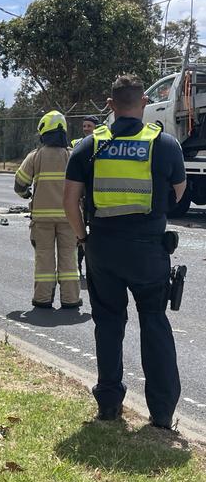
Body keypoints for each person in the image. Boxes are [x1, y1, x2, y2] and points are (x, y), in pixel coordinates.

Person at [63, 74, 186, 428]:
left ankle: (109, 404)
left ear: (110, 105)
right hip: (149, 250)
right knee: (155, 322)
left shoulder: (89, 145)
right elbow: (179, 194)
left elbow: (70, 200)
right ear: (144, 103)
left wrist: (84, 238)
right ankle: (162, 414)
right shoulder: (164, 145)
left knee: (109, 324)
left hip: (102, 247)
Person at [14, 110, 82, 309]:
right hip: (70, 219)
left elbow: (19, 185)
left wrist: (27, 196)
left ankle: (42, 299)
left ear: (44, 132)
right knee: (69, 258)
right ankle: (71, 299)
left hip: (42, 220)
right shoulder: (72, 155)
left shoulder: (35, 156)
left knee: (44, 258)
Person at [70, 115, 101, 275]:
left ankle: (94, 266)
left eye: (89, 126)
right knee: (80, 235)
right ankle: (78, 266)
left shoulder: (103, 144)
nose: (86, 129)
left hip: (97, 197)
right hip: (83, 198)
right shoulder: (78, 145)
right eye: (84, 126)